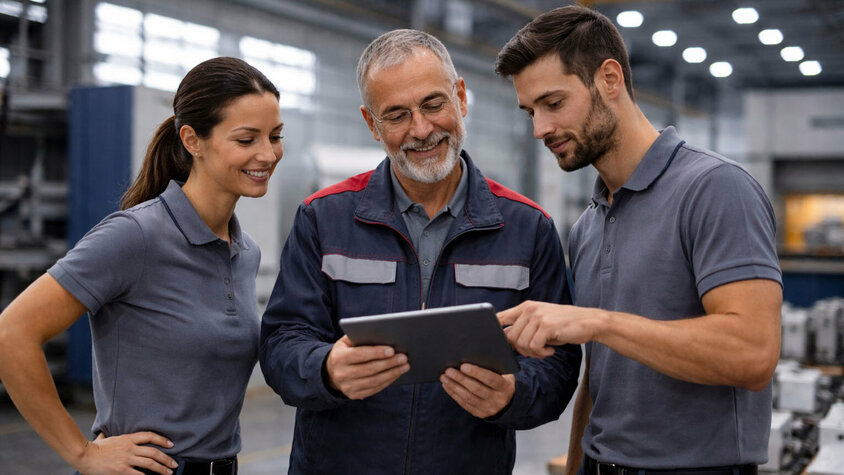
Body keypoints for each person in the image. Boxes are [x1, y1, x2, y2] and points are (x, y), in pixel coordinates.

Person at [259, 29, 582, 474]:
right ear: (372, 124)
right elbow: (280, 341)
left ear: (461, 98)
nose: (422, 129)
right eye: (396, 115)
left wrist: (514, 392)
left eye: (433, 104)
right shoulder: (323, 218)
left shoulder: (528, 229)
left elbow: (559, 362)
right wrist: (326, 368)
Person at [494, 5, 782, 475]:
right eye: (530, 112)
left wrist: (599, 322)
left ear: (610, 79)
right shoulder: (588, 224)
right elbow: (601, 374)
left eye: (553, 103)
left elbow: (753, 353)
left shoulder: (715, 189)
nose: (539, 129)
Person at [0, 57, 283, 475]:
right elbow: (11, 333)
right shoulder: (136, 235)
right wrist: (81, 453)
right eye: (246, 140)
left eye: (275, 136)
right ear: (192, 140)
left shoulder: (245, 252)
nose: (267, 154)